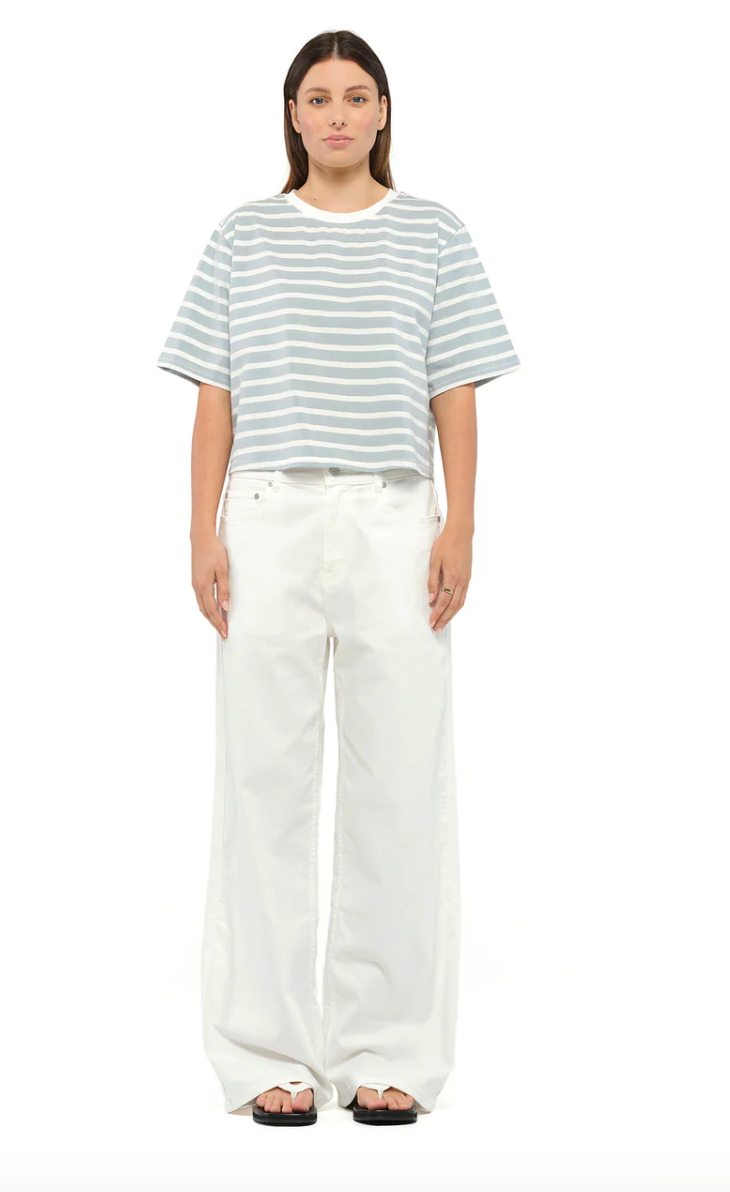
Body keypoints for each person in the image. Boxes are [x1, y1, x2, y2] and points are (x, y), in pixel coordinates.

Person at [156, 29, 520, 1127]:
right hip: (267, 514)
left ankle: (386, 1051)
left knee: (398, 783)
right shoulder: (244, 234)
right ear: (292, 114)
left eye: (357, 96)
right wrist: (201, 529)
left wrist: (459, 521)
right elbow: (214, 395)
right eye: (317, 98)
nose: (337, 116)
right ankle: (265, 1053)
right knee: (261, 784)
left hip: (394, 516)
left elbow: (455, 387)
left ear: (383, 112)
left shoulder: (434, 233)